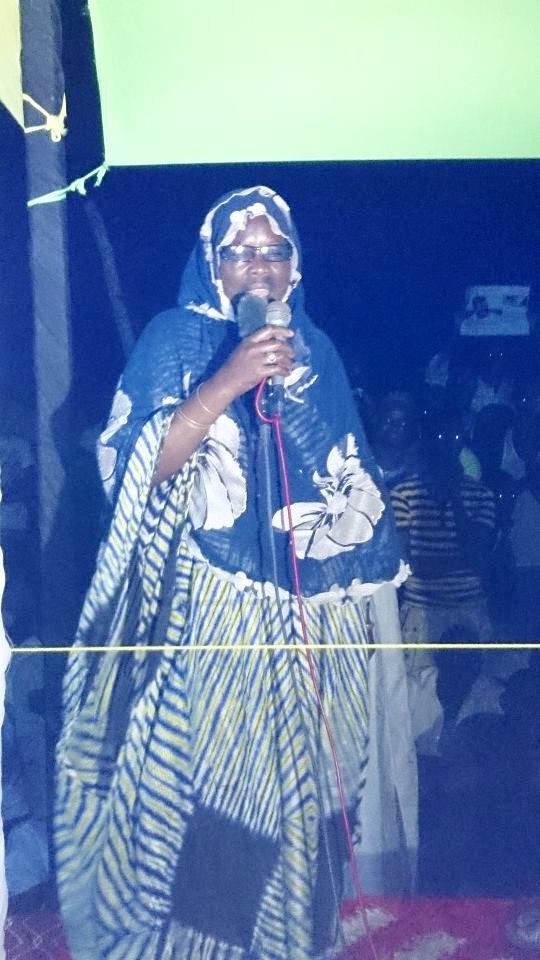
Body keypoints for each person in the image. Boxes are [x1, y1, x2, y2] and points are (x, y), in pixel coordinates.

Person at [54, 186, 404, 960]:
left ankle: (297, 940)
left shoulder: (321, 349)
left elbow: (350, 481)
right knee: (225, 798)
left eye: (273, 251)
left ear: (295, 265)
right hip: (219, 614)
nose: (258, 267)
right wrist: (226, 383)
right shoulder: (176, 338)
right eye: (240, 252)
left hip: (320, 619)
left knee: (313, 795)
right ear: (211, 264)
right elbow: (135, 469)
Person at [391, 408, 496, 755]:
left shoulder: (479, 496)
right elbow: (410, 564)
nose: (446, 447)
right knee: (419, 708)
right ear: (425, 443)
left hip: (467, 614)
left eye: (453, 440)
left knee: (471, 704)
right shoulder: (403, 495)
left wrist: (454, 499)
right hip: (421, 616)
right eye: (438, 438)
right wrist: (458, 561)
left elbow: (477, 559)